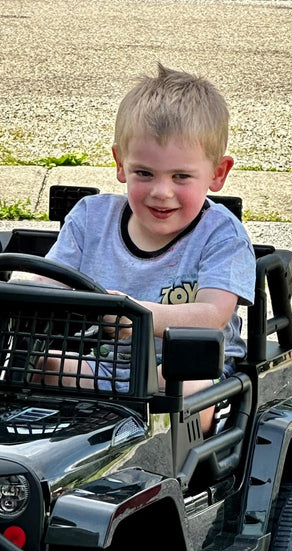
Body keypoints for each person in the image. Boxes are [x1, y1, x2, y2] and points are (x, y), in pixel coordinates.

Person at [38, 63, 256, 434]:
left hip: (190, 369)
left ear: (217, 174)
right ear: (121, 164)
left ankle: (166, 474)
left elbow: (212, 317)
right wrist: (4, 298)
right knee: (39, 365)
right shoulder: (92, 219)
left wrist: (137, 314)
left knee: (184, 388)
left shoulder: (221, 234)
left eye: (181, 177)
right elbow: (47, 284)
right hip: (105, 366)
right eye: (145, 173)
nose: (161, 191)